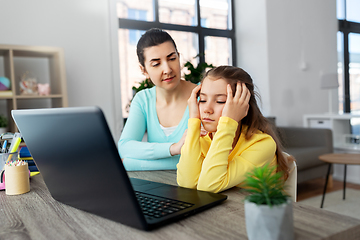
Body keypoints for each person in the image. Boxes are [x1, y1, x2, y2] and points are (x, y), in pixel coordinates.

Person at [177, 65, 290, 193]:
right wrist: (193, 121)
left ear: (241, 106)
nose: (207, 109)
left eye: (220, 101)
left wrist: (228, 122)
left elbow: (208, 186)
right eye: (202, 100)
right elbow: (187, 183)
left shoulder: (263, 145)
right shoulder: (203, 139)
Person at [118, 28, 197, 171]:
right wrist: (173, 149)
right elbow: (125, 147)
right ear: (144, 70)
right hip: (157, 184)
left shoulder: (203, 96)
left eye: (172, 58)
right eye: (156, 64)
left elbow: (202, 160)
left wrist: (131, 164)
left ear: (179, 57)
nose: (167, 69)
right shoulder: (143, 100)